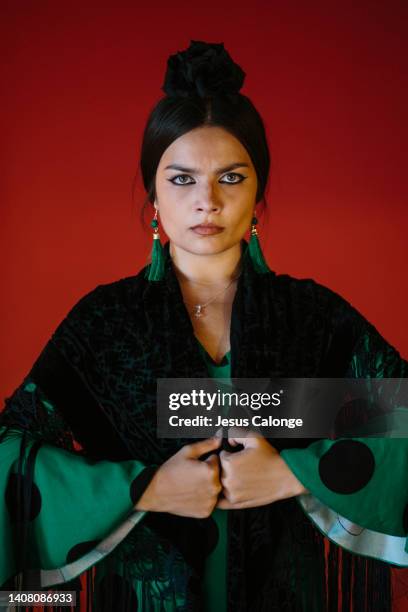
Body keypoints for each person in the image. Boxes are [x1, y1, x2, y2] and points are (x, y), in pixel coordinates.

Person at [1, 39, 408, 612]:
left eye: (232, 178)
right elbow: (10, 454)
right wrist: (144, 487)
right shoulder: (104, 324)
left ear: (259, 190)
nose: (207, 203)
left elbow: (403, 419)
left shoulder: (314, 318)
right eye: (183, 179)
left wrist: (297, 474)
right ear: (154, 194)